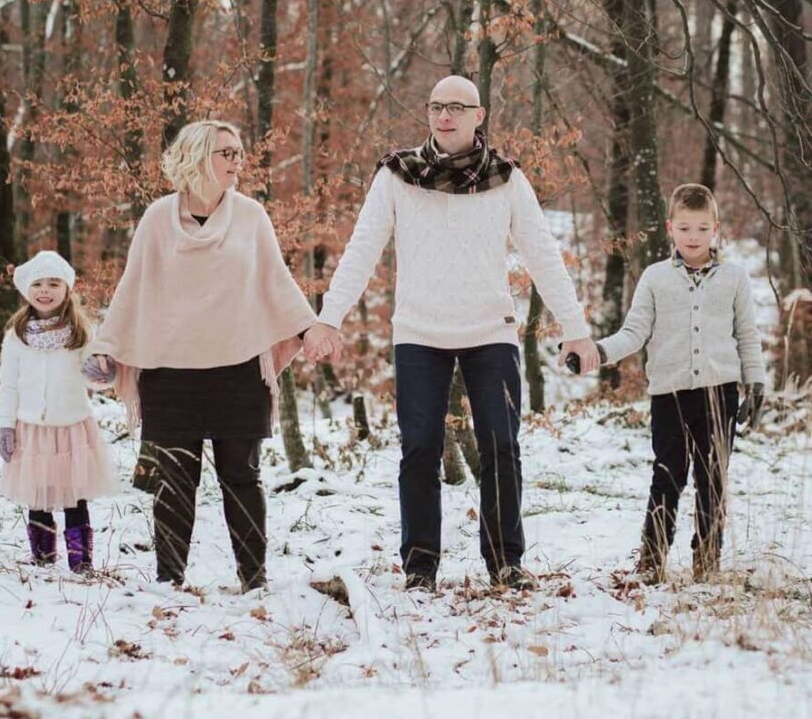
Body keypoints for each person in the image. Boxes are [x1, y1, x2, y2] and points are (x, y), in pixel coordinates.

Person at [304, 75, 598, 591]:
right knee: (419, 447)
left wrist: (575, 328)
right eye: (436, 106)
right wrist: (330, 316)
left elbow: (543, 255)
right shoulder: (398, 175)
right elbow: (362, 249)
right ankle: (420, 567)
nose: (444, 116)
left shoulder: (507, 178)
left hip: (491, 331)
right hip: (419, 331)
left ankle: (505, 563)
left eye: (457, 107)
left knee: (501, 445)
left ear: (478, 116)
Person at [84, 120, 316, 591]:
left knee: (241, 477)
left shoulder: (251, 216)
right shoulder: (157, 219)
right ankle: (168, 581)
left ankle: (254, 580)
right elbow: (133, 286)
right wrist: (107, 347)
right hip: (171, 372)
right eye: (226, 153)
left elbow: (276, 280)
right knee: (174, 481)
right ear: (197, 158)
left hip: (239, 367)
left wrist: (309, 328)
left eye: (239, 152)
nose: (237, 161)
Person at [595, 183, 765, 583]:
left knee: (713, 479)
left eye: (703, 228)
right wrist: (599, 352)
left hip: (719, 394)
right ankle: (652, 560)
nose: (693, 237)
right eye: (685, 228)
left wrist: (756, 385)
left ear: (716, 229)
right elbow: (634, 332)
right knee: (667, 475)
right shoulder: (655, 278)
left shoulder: (735, 278)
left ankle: (707, 561)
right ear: (670, 227)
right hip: (669, 395)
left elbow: (747, 335)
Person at [0, 250, 120, 573]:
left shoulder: (80, 332)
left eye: (54, 284)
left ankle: (81, 561)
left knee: (73, 496)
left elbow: (91, 376)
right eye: (38, 284)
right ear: (27, 290)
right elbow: (8, 385)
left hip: (71, 428)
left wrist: (103, 374)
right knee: (38, 495)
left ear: (67, 289)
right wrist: (5, 426)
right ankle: (42, 558)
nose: (45, 291)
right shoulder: (16, 336)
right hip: (31, 429)